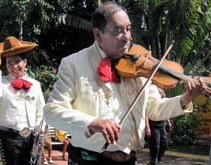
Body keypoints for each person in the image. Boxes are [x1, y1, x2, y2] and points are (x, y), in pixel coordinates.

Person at [44, 2, 204, 165]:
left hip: (130, 159)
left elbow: (155, 109)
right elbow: (52, 111)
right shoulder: (74, 64)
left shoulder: (140, 64)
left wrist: (185, 98)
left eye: (128, 29)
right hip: (89, 159)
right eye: (118, 31)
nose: (128, 37)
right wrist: (93, 123)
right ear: (98, 35)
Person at [0, 36, 45, 165]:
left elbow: (41, 109)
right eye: (9, 63)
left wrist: (39, 132)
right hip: (9, 137)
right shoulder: (1, 82)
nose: (13, 66)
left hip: (32, 136)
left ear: (24, 62)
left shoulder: (35, 84)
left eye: (17, 61)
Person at [145, 88, 173, 165]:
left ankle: (157, 159)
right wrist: (147, 127)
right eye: (158, 93)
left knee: (164, 144)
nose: (159, 94)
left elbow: (165, 113)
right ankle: (153, 161)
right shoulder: (150, 102)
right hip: (153, 125)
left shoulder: (163, 102)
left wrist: (169, 122)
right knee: (155, 145)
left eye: (160, 93)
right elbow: (146, 115)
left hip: (162, 125)